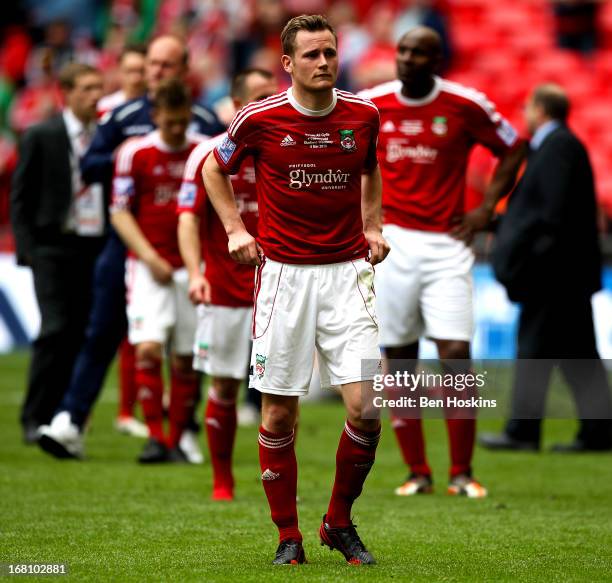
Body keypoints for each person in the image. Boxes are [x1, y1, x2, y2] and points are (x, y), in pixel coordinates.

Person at [203, 14, 389, 565]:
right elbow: (215, 171)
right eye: (311, 55)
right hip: (284, 276)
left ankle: (337, 520)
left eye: (329, 52)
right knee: (278, 414)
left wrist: (373, 224)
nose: (324, 62)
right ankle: (289, 535)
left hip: (347, 274)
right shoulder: (258, 119)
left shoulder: (364, 114)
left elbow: (370, 167)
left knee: (367, 407)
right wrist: (237, 229)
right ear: (287, 63)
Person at [39, 35, 224, 459]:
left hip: (189, 247)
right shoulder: (123, 118)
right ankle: (71, 417)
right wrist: (139, 162)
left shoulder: (204, 122)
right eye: (152, 65)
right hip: (127, 243)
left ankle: (184, 429)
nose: (155, 72)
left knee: (188, 346)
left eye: (165, 65)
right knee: (102, 332)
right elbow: (90, 167)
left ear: (182, 70)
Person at [360, 27, 525, 498]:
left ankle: (461, 471)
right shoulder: (372, 103)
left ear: (437, 61)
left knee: (454, 353)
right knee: (401, 357)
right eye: (403, 51)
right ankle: (417, 471)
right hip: (391, 242)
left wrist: (487, 207)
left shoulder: (464, 104)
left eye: (419, 53)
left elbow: (513, 147)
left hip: (447, 245)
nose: (407, 59)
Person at [480, 84, 612, 452]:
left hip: (554, 274)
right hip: (566, 273)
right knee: (578, 354)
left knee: (535, 348)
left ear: (539, 109)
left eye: (527, 108)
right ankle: (599, 432)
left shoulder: (558, 147)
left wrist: (528, 257)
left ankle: (523, 431)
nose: (525, 114)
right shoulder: (561, 146)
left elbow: (551, 214)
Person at [178, 68, 279, 499]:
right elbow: (187, 219)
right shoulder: (207, 154)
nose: (266, 104)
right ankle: (223, 479)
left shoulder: (283, 148)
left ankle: (277, 479)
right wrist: (196, 273)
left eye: (270, 96)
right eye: (257, 97)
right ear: (237, 107)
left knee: (278, 391)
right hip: (224, 288)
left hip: (277, 289)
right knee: (224, 384)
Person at [11, 63, 105, 444]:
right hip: (52, 244)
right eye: (86, 88)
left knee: (80, 333)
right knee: (54, 330)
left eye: (98, 87)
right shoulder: (41, 134)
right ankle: (35, 416)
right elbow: (21, 197)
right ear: (67, 93)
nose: (95, 95)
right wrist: (27, 250)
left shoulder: (106, 136)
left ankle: (63, 416)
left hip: (93, 245)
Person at [97, 44, 147, 116]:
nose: (136, 79)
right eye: (130, 71)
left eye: (141, 71)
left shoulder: (157, 107)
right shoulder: (104, 107)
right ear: (119, 71)